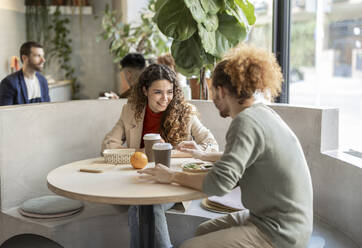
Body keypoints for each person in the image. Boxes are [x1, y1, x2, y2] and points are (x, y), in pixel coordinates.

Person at [139, 44, 313, 248]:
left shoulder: (245, 122)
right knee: (202, 231)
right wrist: (202, 155)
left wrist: (172, 176)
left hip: (279, 231)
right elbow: (245, 158)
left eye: (212, 90)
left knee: (189, 246)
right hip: (280, 219)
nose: (213, 97)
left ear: (220, 91)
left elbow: (219, 183)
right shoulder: (261, 113)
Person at [101, 63, 218, 248]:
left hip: (173, 182)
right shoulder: (130, 111)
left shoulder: (185, 112)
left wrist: (194, 150)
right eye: (158, 92)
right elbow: (108, 146)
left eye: (169, 92)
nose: (165, 99)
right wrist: (145, 153)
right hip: (138, 181)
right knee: (140, 205)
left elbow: (212, 145)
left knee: (146, 206)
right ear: (145, 90)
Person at [0, 41, 50, 106]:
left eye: (43, 56)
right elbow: (5, 113)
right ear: (25, 58)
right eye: (38, 56)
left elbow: (48, 108)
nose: (43, 60)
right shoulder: (9, 83)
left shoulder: (43, 80)